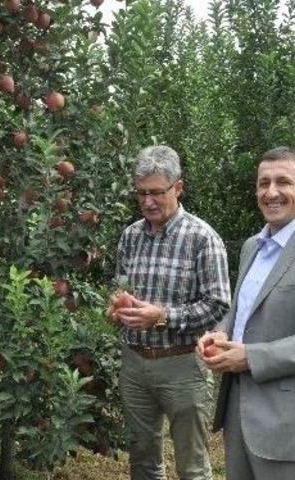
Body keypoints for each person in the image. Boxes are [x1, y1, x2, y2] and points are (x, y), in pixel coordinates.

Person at [197, 147, 295, 480]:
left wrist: (251, 357)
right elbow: (243, 309)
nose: (271, 192)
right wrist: (221, 332)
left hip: (287, 421)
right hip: (238, 408)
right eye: (263, 183)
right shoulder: (251, 246)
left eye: (283, 182)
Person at [106, 145, 231, 480]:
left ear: (178, 188)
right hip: (135, 363)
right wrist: (118, 305)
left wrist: (161, 316)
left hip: (182, 365)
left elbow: (218, 303)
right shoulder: (131, 236)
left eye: (157, 192)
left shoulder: (202, 238)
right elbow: (122, 287)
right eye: (142, 193)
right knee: (143, 461)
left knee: (191, 465)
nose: (148, 202)